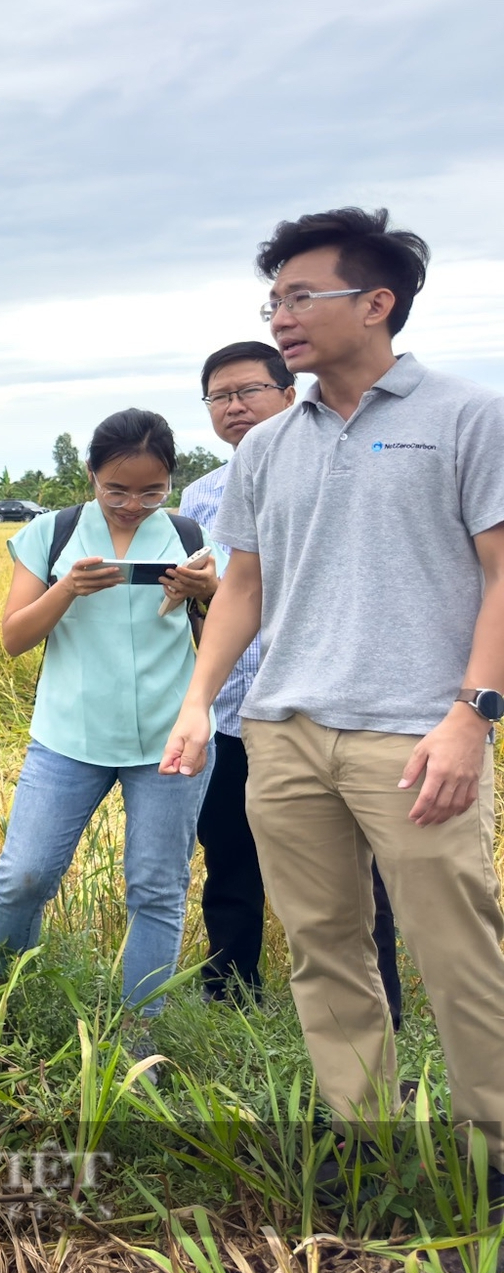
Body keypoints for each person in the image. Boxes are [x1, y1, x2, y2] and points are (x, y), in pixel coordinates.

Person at [161, 208, 504, 1193]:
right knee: (323, 951)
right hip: (282, 734)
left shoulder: (465, 418)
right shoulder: (270, 447)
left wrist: (469, 714)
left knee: (456, 956)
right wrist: (198, 701)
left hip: (413, 736)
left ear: (375, 302)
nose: (279, 317)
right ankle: (366, 1149)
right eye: (272, 300)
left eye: (299, 297)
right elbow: (240, 585)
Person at [181, 341, 407, 1016]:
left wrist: (221, 587)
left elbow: (322, 587)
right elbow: (215, 612)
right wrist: (194, 595)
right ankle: (231, 993)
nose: (234, 407)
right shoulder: (198, 496)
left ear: (289, 392)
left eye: (248, 391)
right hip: (232, 712)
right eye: (219, 397)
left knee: (358, 876)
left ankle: (378, 1007)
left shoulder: (337, 467)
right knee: (229, 859)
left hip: (328, 713)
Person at [0, 409, 220, 1044]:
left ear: (172, 482)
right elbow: (11, 638)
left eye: (152, 491)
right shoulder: (51, 533)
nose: (133, 505)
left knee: (156, 890)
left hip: (170, 739)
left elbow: (221, 635)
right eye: (116, 489)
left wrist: (208, 590)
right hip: (68, 737)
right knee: (22, 878)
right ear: (90, 475)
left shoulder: (189, 535)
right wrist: (66, 590)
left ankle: (137, 1039)